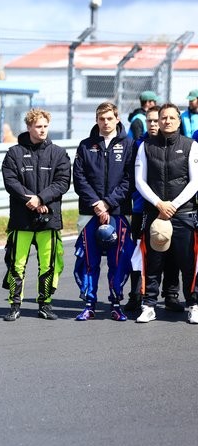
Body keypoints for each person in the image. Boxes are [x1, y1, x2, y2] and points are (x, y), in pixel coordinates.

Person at [1, 108, 71, 321]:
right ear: (29, 127)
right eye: (38, 126)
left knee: (48, 264)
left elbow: (62, 182)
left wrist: (40, 199)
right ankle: (14, 304)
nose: (42, 130)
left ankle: (45, 304)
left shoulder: (58, 153)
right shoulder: (14, 153)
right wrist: (29, 200)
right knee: (16, 263)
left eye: (45, 126)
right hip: (22, 218)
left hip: (48, 217)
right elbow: (10, 181)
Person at [134, 102, 198, 323]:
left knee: (188, 262)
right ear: (157, 120)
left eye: (172, 118)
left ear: (179, 121)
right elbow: (139, 181)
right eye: (163, 118)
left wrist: (174, 205)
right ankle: (148, 305)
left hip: (184, 213)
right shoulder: (145, 146)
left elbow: (195, 181)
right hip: (155, 212)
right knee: (153, 262)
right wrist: (159, 204)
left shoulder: (191, 146)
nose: (167, 121)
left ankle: (193, 304)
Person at [72, 102, 135, 321]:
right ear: (96, 120)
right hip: (90, 213)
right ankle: (89, 303)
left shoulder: (129, 144)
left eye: (109, 118)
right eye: (101, 119)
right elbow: (79, 179)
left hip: (118, 213)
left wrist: (108, 203)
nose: (105, 122)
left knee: (118, 260)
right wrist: (97, 204)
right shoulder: (85, 145)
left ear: (117, 119)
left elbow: (130, 180)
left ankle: (116, 303)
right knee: (89, 260)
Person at [125, 107, 183, 314]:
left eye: (155, 121)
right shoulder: (139, 145)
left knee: (172, 253)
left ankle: (171, 294)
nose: (152, 124)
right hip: (143, 209)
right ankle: (137, 295)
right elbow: (133, 179)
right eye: (149, 121)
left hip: (171, 209)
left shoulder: (177, 144)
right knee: (141, 254)